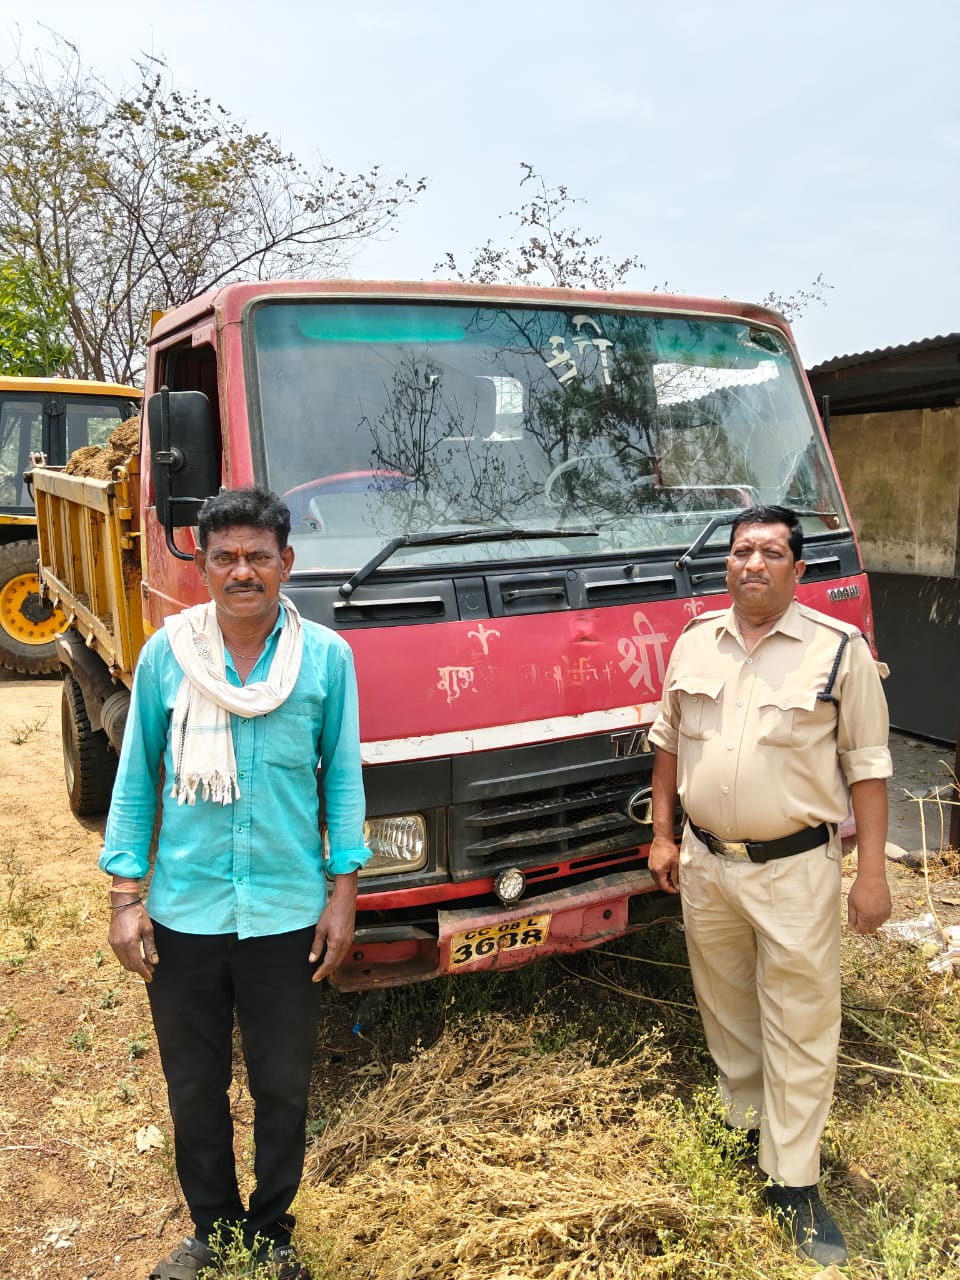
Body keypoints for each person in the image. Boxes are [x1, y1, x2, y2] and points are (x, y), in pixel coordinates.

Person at [101, 487, 368, 1280]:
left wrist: (344, 894)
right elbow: (136, 782)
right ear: (203, 566)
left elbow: (344, 782)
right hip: (186, 911)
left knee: (284, 1088)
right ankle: (214, 1232)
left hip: (288, 910)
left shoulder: (324, 659)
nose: (242, 571)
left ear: (286, 564)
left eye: (258, 556)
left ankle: (273, 1233)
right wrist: (125, 898)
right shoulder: (167, 654)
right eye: (225, 557)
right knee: (195, 1088)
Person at [648, 504, 891, 1267]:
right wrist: (660, 833)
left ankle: (794, 1181)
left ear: (798, 568)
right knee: (725, 1005)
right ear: (727, 564)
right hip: (706, 864)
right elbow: (666, 745)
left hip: (794, 869)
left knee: (800, 1019)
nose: (752, 564)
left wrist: (874, 874)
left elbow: (871, 768)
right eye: (741, 551)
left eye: (770, 552)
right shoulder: (693, 643)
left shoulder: (836, 651)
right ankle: (746, 1123)